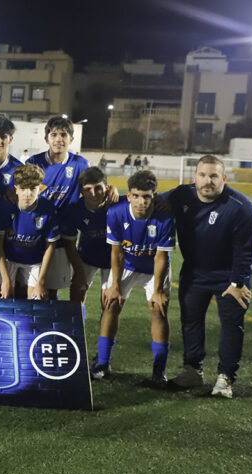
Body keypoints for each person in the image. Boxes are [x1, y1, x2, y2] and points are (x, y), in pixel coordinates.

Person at [166, 156, 252, 398]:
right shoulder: (181, 195)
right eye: (203, 175)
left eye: (214, 176)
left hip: (230, 275)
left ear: (224, 179)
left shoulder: (242, 208)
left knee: (231, 325)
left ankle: (225, 377)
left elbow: (246, 252)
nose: (208, 181)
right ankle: (192, 370)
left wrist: (238, 283)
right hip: (195, 271)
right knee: (191, 320)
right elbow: (147, 201)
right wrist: (114, 197)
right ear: (194, 177)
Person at [95, 170, 175, 384]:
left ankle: (159, 372)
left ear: (154, 197)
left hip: (153, 267)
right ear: (128, 195)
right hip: (127, 264)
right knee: (111, 303)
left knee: (158, 310)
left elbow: (161, 257)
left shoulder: (165, 218)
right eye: (137, 196)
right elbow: (117, 252)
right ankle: (102, 363)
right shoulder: (116, 213)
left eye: (147, 196)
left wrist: (158, 291)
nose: (141, 201)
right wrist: (114, 285)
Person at [26, 116, 93, 299]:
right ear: (46, 138)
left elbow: (92, 188)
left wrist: (109, 190)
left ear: (71, 139)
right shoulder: (34, 161)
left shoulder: (80, 164)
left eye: (63, 135)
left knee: (51, 289)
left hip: (63, 236)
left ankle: (51, 327)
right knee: (30, 291)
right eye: (53, 134)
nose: (58, 139)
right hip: (36, 233)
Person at [0, 164, 59, 300]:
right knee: (4, 296)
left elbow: (50, 247)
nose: (28, 193)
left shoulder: (48, 209)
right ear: (16, 189)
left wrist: (41, 280)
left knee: (38, 300)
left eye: (33, 189)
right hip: (9, 259)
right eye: (23, 189)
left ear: (40, 188)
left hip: (34, 261)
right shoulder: (6, 208)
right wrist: (6, 280)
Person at [60, 167, 119, 305]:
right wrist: (78, 273)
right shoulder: (75, 210)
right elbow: (70, 243)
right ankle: (79, 325)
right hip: (87, 256)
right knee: (77, 292)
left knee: (110, 302)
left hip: (113, 259)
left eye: (98, 188)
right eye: (88, 189)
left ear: (107, 187)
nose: (93, 193)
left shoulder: (119, 205)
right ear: (81, 191)